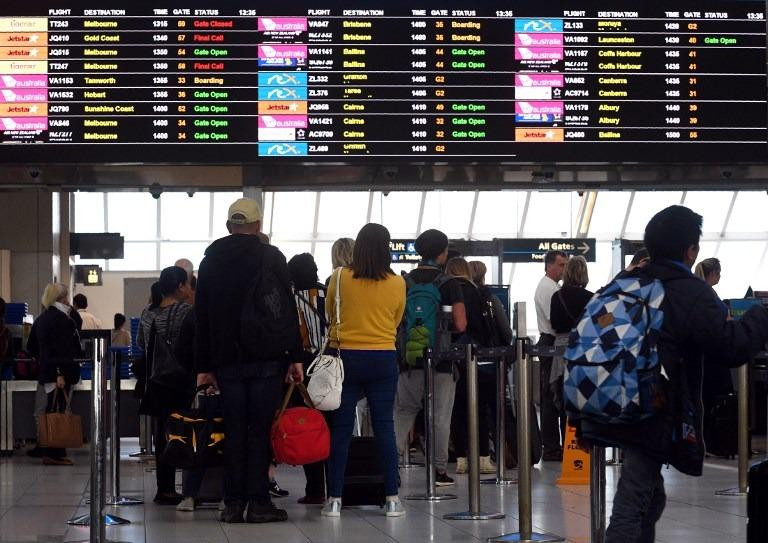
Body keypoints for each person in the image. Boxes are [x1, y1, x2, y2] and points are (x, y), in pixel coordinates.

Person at [574, 206, 768, 543]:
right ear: (691, 251)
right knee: (633, 501)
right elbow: (731, 347)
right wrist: (760, 317)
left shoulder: (623, 283)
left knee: (649, 496)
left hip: (604, 397)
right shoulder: (688, 290)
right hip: (650, 408)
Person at [195, 197, 304, 524]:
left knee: (234, 429)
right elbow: (286, 309)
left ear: (230, 226)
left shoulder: (211, 261)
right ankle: (258, 502)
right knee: (259, 429)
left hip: (227, 361)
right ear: (258, 226)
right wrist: (295, 357)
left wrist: (204, 366)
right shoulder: (270, 256)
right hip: (267, 358)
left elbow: (202, 317)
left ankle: (232, 503)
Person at [321, 223, 406, 518]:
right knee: (384, 427)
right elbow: (396, 320)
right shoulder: (397, 283)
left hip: (345, 359)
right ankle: (392, 498)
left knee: (341, 430)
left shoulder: (340, 277)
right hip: (383, 357)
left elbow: (330, 313)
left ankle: (334, 499)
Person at [394, 229, 467, 487]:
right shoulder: (449, 283)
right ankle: (438, 471)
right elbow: (460, 323)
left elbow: (395, 320)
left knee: (403, 412)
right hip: (442, 360)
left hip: (410, 358)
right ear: (443, 252)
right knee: (440, 416)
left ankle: (390, 467)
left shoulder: (404, 282)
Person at [137, 266, 195, 505]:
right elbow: (191, 344)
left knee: (162, 432)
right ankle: (182, 485)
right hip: (180, 379)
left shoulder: (147, 313)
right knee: (182, 429)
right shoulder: (185, 311)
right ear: (180, 286)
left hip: (156, 379)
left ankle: (165, 487)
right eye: (188, 285)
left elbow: (141, 343)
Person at [445, 257, 498, 475]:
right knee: (480, 408)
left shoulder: (446, 290)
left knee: (457, 409)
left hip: (454, 357)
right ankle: (484, 457)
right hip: (480, 357)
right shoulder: (479, 292)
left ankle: (461, 459)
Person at [288, 253, 329, 505]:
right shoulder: (331, 294)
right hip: (332, 367)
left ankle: (315, 489)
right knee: (334, 426)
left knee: (309, 428)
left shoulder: (290, 299)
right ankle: (335, 485)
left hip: (303, 369)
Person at [26, 283, 82, 466]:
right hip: (60, 372)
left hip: (48, 372)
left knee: (51, 409)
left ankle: (53, 449)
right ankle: (54, 452)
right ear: (62, 298)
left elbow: (31, 347)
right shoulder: (62, 320)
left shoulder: (42, 318)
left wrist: (44, 363)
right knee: (57, 411)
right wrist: (59, 372)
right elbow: (62, 349)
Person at [534, 250, 568, 461]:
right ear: (549, 265)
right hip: (551, 341)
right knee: (550, 396)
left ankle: (555, 444)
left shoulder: (553, 287)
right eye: (561, 264)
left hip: (553, 341)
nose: (564, 269)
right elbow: (555, 320)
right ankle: (551, 446)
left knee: (554, 393)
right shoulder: (547, 288)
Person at [549, 256, 593, 413]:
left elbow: (554, 324)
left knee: (562, 397)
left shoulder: (556, 296)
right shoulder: (591, 297)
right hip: (583, 350)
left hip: (561, 352)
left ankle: (564, 432)